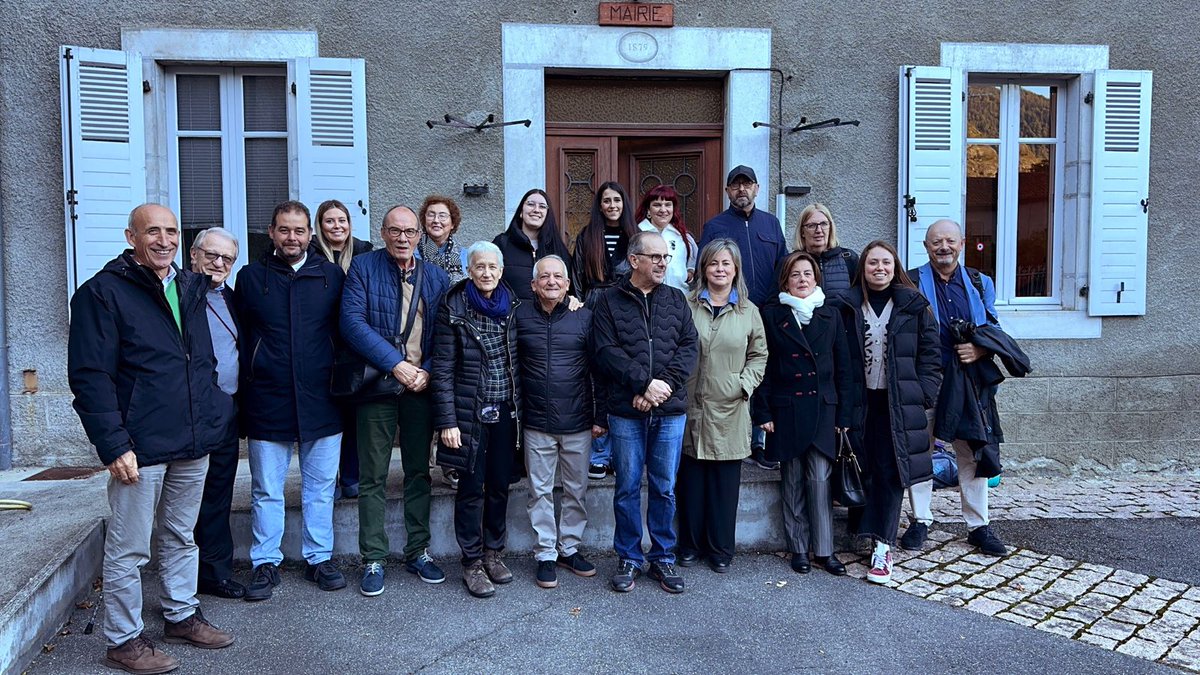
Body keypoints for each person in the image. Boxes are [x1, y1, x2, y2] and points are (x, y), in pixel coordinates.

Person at [68, 204, 236, 674]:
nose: (164, 240)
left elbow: (199, 362)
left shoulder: (188, 287)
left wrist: (214, 414)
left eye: (171, 231)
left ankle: (181, 614)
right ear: (131, 236)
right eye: (152, 232)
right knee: (130, 546)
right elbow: (90, 377)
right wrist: (114, 445)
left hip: (193, 438)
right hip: (139, 445)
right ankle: (123, 640)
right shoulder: (102, 294)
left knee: (182, 535)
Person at [234, 201, 347, 601]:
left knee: (320, 487)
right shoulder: (249, 278)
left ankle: (320, 559)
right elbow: (241, 336)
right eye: (284, 230)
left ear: (310, 235)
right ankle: (265, 563)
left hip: (323, 398)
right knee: (267, 488)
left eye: (299, 231)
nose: (292, 238)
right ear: (271, 232)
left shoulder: (331, 276)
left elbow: (345, 330)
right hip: (268, 398)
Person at [340, 205, 452, 596]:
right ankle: (373, 555)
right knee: (372, 476)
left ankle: (418, 550)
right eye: (394, 231)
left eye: (409, 232)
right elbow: (352, 324)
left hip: (421, 388)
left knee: (419, 472)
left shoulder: (436, 276)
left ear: (419, 236)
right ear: (383, 233)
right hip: (378, 387)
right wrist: (397, 365)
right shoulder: (363, 268)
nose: (402, 238)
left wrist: (429, 372)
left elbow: (447, 332)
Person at [591, 231, 698, 594]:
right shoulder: (608, 301)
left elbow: (689, 348)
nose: (663, 263)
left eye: (666, 258)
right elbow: (605, 351)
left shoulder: (677, 300)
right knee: (626, 487)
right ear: (634, 260)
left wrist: (658, 388)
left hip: (669, 411)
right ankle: (629, 557)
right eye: (655, 257)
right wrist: (641, 385)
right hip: (625, 411)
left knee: (664, 488)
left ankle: (663, 557)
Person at [900, 219, 1008, 557]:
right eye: (936, 242)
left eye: (949, 240)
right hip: (927, 378)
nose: (942, 247)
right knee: (921, 447)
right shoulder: (912, 281)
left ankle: (978, 525)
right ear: (926, 246)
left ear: (961, 243)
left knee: (971, 448)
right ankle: (920, 519)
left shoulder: (979, 282)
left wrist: (980, 349)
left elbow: (994, 329)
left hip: (968, 380)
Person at [837, 241, 941, 583]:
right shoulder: (848, 306)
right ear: (862, 269)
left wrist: (922, 394)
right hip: (859, 401)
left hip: (897, 404)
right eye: (871, 263)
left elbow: (930, 357)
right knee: (862, 465)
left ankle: (883, 545)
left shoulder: (913, 306)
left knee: (892, 472)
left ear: (894, 266)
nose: (878, 268)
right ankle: (863, 530)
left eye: (885, 262)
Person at [432, 241, 523, 599]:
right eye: (479, 267)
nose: (486, 273)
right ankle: (471, 562)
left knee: (500, 485)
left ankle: (493, 553)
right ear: (469, 270)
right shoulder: (453, 307)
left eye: (492, 267)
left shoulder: (514, 305)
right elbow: (441, 370)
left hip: (506, 412)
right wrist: (447, 422)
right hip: (468, 415)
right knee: (471, 489)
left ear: (501, 271)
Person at [753, 251, 852, 576]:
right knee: (792, 481)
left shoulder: (831, 315)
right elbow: (763, 366)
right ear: (786, 280)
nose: (802, 279)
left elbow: (844, 370)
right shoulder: (772, 315)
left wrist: (844, 417)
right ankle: (799, 548)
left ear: (816, 278)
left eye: (807, 274)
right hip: (787, 408)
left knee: (820, 480)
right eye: (795, 275)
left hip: (823, 410)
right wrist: (763, 410)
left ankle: (825, 550)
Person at [677, 239, 767, 573]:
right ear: (703, 268)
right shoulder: (686, 305)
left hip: (730, 406)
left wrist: (743, 384)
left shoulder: (749, 311)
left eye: (725, 264)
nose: (719, 269)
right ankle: (689, 545)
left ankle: (720, 549)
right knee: (691, 483)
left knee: (724, 487)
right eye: (713, 263)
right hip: (691, 405)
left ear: (735, 270)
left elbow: (759, 355)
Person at [515, 255, 601, 589]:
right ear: (533, 284)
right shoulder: (519, 316)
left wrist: (600, 415)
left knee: (576, 490)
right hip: (536, 421)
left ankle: (569, 548)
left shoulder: (585, 318)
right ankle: (546, 554)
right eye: (544, 277)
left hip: (578, 420)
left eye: (558, 277)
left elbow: (598, 369)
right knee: (539, 491)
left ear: (567, 284)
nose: (552, 281)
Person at [700, 165, 790, 470]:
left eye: (747, 184)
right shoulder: (715, 226)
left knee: (764, 372)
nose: (742, 190)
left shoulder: (772, 224)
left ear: (757, 188)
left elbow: (783, 266)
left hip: (768, 311)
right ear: (727, 191)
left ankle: (761, 441)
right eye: (736, 185)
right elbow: (706, 268)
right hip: (732, 311)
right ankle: (738, 439)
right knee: (735, 371)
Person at [188, 228, 245, 600]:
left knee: (220, 492)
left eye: (227, 258)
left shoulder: (232, 298)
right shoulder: (178, 295)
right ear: (194, 255)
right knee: (188, 495)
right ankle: (185, 576)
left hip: (227, 408)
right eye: (211, 255)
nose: (219, 264)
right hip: (190, 411)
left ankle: (215, 572)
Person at [571, 181, 636, 481]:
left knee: (622, 379)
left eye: (617, 200)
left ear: (624, 204)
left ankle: (623, 454)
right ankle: (599, 453)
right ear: (599, 206)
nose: (612, 205)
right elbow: (577, 281)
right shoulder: (588, 236)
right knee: (597, 380)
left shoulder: (635, 237)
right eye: (606, 201)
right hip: (595, 309)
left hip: (627, 310)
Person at [313, 199, 374, 500]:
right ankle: (329, 481)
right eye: (329, 221)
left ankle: (351, 476)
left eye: (342, 221)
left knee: (353, 418)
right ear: (319, 226)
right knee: (327, 418)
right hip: (321, 346)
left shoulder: (365, 253)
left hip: (355, 349)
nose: (337, 226)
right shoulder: (310, 255)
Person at [493, 188, 573, 303]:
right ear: (521, 211)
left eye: (542, 206)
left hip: (547, 319)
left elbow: (568, 289)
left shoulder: (558, 248)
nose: (536, 210)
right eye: (531, 204)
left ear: (547, 214)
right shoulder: (502, 243)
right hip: (510, 317)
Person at [633, 184, 696, 293]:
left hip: (679, 298)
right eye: (657, 205)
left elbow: (693, 263)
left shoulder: (683, 237)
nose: (663, 210)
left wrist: (688, 273)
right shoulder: (636, 234)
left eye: (667, 205)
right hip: (645, 299)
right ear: (648, 210)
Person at [795, 203, 859, 299]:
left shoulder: (849, 258)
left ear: (831, 227)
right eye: (812, 225)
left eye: (824, 224)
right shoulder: (792, 262)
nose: (819, 230)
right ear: (802, 232)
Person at [417, 194, 468, 285]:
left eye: (442, 216)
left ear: (452, 223)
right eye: (431, 215)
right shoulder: (412, 254)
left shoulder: (466, 256)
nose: (436, 220)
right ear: (424, 222)